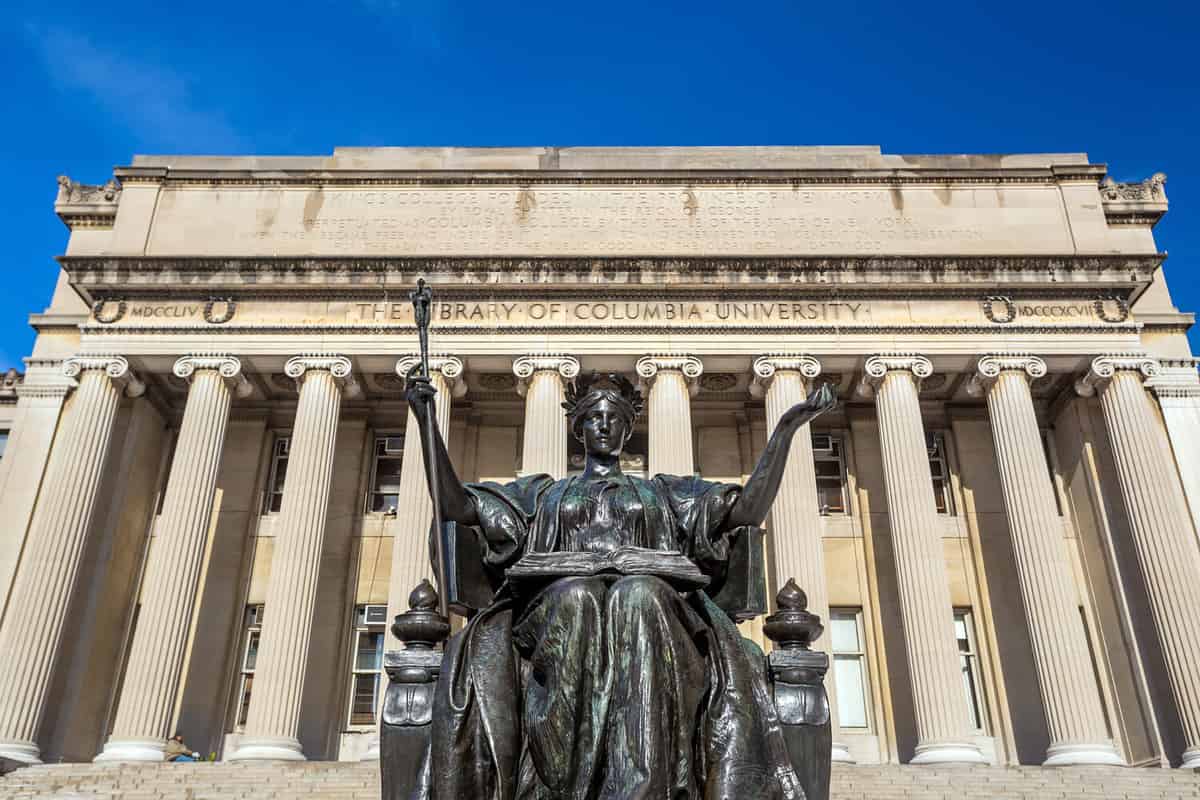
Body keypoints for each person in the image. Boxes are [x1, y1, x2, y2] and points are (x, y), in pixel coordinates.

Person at [406, 370, 837, 800]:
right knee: (578, 596)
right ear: (579, 428)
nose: (605, 425)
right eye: (594, 417)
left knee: (638, 595)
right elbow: (458, 506)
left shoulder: (665, 494)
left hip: (654, 610)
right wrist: (427, 422)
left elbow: (745, 511)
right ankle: (562, 786)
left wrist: (786, 429)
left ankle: (642, 788)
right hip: (558, 610)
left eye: (614, 417)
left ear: (629, 427)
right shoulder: (542, 495)